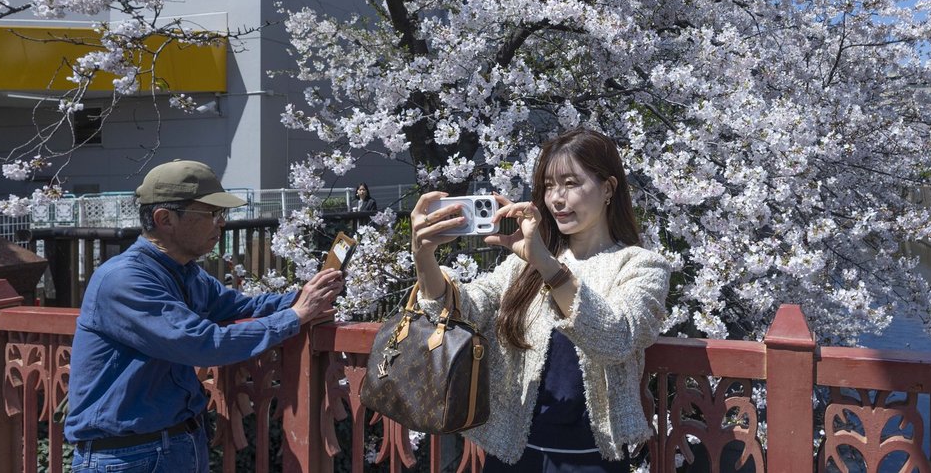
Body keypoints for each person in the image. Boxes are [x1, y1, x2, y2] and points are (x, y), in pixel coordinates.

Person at [411, 128, 671, 472]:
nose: (557, 199)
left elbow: (616, 337)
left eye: (571, 183)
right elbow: (463, 310)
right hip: (513, 453)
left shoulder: (641, 265)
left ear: (608, 188)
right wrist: (424, 257)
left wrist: (547, 264)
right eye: (549, 186)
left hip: (591, 459)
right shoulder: (524, 264)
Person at [65, 159, 345, 472]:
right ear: (165, 219)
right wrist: (295, 316)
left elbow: (241, 307)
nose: (221, 223)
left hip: (175, 444)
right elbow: (201, 343)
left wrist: (305, 297)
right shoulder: (125, 280)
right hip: (126, 456)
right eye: (212, 213)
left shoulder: (188, 273)